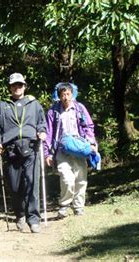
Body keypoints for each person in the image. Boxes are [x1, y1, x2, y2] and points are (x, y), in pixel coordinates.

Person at [0, 72, 47, 233]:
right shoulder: (3, 105)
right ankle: (20, 214)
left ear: (24, 86)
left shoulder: (34, 103)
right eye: (14, 85)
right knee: (15, 187)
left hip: (31, 148)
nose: (17, 87)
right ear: (10, 87)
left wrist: (41, 132)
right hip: (11, 150)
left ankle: (34, 219)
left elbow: (41, 122)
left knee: (32, 183)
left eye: (20, 84)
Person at [44, 82, 97, 218]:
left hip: (79, 147)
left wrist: (91, 143)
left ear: (72, 94)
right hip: (61, 150)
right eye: (63, 95)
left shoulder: (80, 108)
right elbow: (48, 133)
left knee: (80, 179)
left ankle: (78, 207)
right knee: (67, 178)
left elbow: (88, 126)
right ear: (59, 96)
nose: (66, 97)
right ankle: (64, 205)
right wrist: (47, 153)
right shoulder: (53, 111)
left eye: (68, 94)